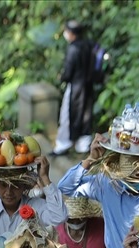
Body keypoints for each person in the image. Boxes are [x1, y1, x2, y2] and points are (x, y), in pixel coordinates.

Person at [52, 20, 95, 156]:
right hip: (88, 86)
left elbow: (68, 72)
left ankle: (63, 144)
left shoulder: (73, 49)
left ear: (71, 34)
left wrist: (62, 77)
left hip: (75, 87)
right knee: (86, 115)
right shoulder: (89, 44)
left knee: (67, 116)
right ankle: (82, 145)